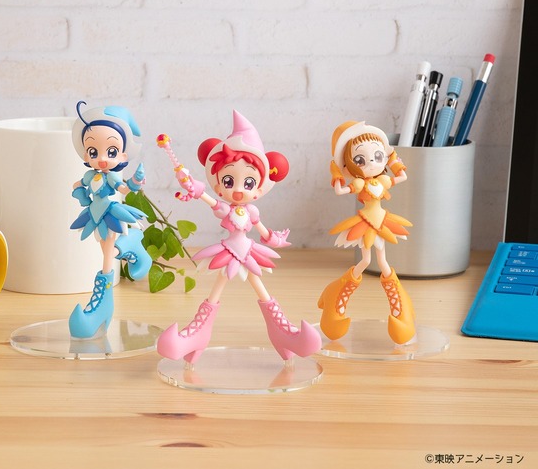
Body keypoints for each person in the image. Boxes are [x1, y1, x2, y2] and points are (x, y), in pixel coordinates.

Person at [156, 111, 321, 364]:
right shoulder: (225, 209)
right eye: (228, 180)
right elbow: (209, 200)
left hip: (249, 252)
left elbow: (264, 232)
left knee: (260, 289)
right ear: (218, 183)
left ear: (259, 188)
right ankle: (197, 333)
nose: (237, 190)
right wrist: (194, 187)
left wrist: (276, 239)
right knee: (218, 288)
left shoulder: (251, 212)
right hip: (229, 252)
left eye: (249, 183)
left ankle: (283, 331)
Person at [318, 121, 416, 345]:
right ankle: (337, 293)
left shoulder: (382, 180)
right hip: (365, 223)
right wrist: (336, 171)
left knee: (382, 262)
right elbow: (340, 190)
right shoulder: (359, 185)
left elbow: (402, 176)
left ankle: (400, 304)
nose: (371, 163)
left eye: (377, 156)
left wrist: (393, 158)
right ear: (349, 165)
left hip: (382, 221)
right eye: (360, 160)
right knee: (365, 260)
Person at [68, 101, 151, 338]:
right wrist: (79, 191)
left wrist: (135, 182)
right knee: (105, 249)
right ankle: (130, 244)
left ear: (122, 154)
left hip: (111, 213)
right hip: (94, 214)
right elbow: (79, 187)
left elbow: (124, 189)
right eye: (94, 152)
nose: (102, 159)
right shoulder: (89, 175)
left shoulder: (112, 177)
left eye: (111, 151)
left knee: (107, 254)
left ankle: (103, 302)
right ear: (86, 153)